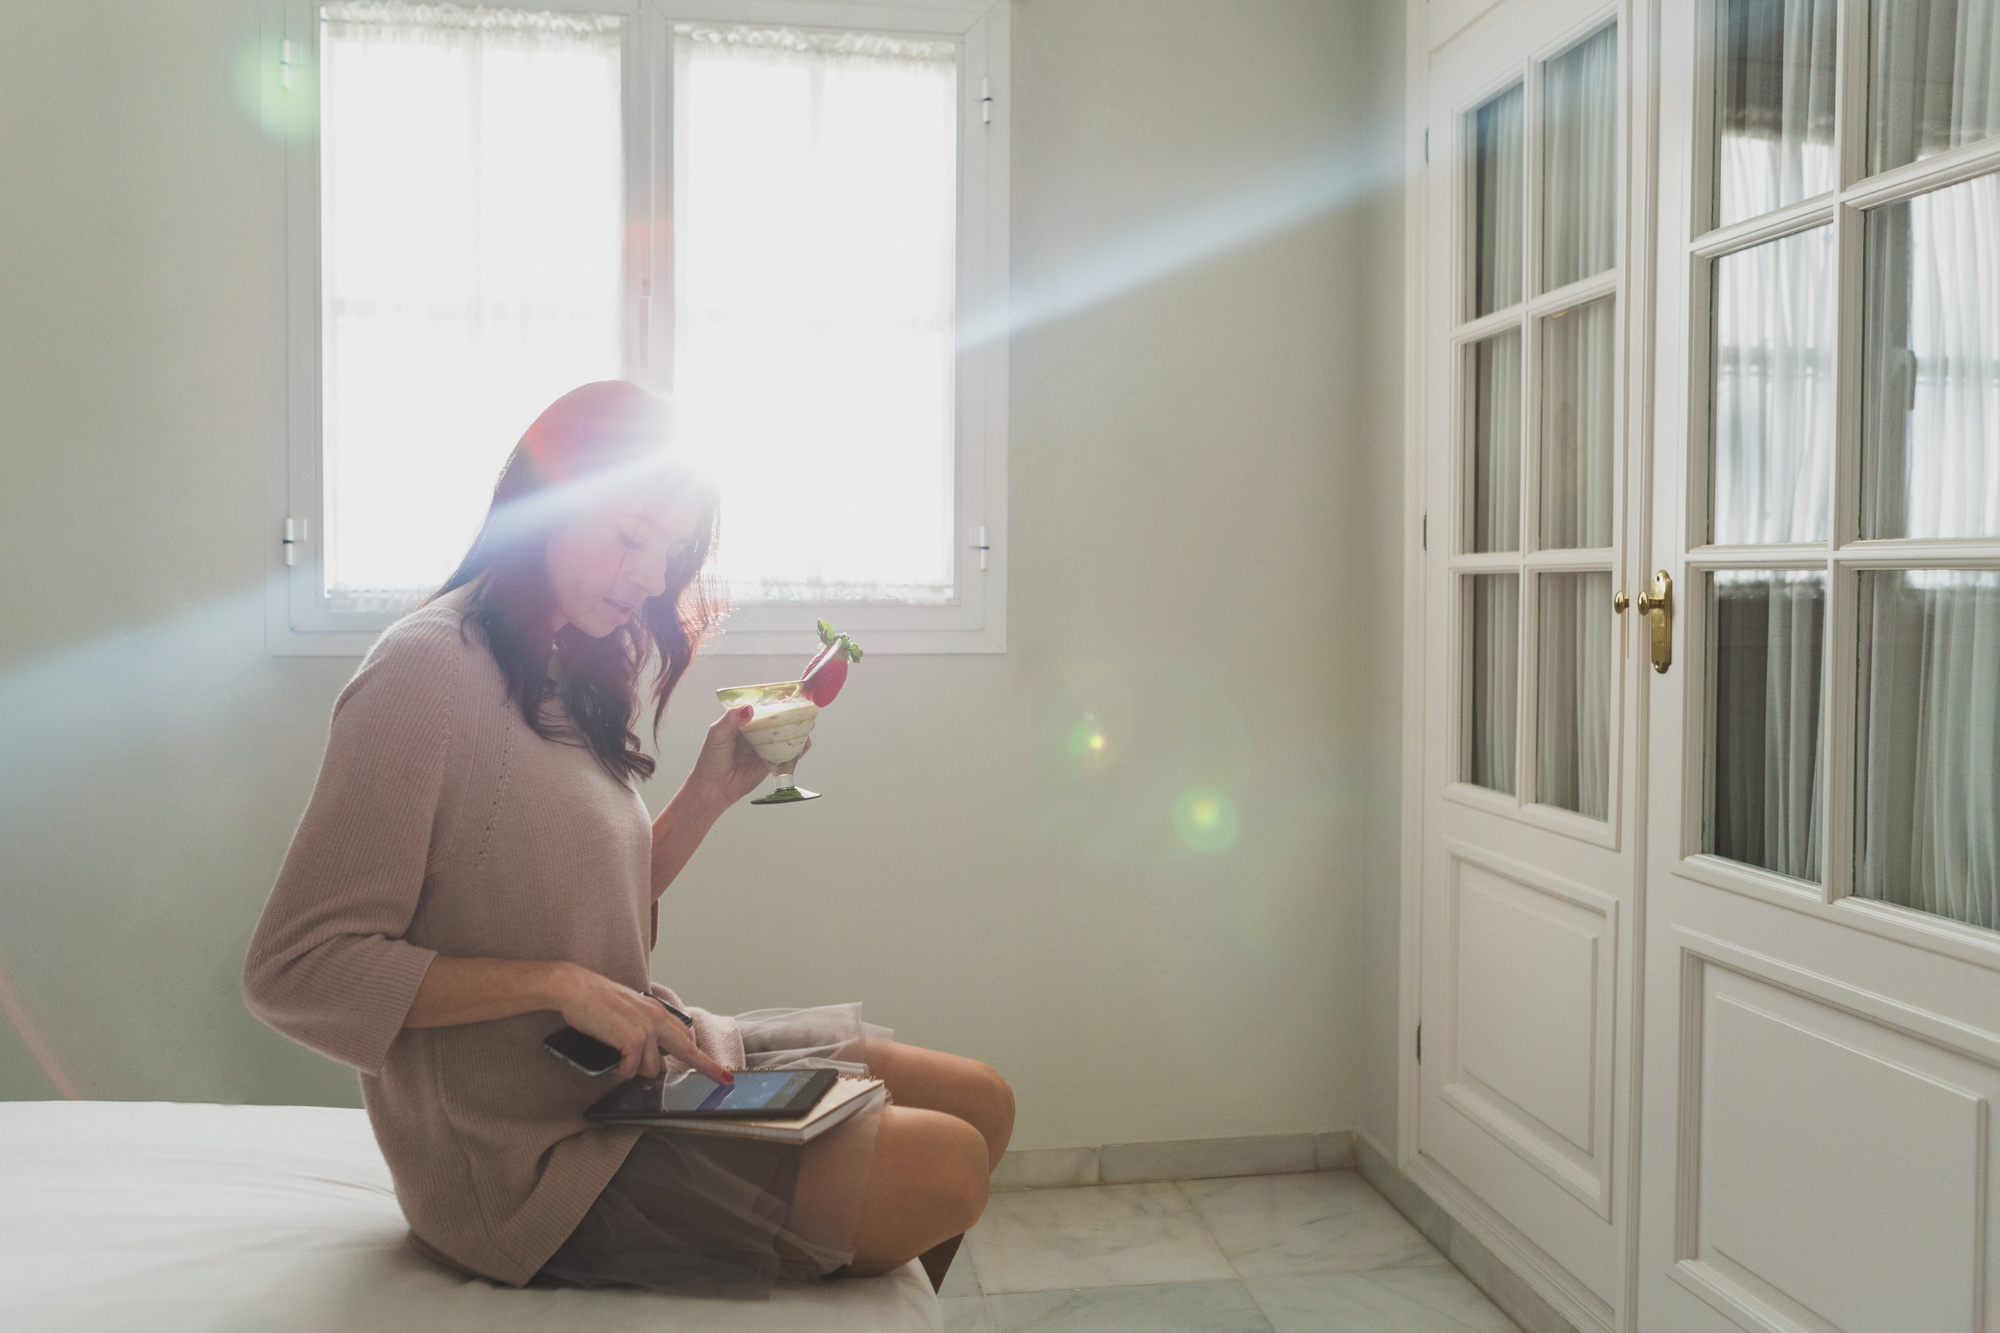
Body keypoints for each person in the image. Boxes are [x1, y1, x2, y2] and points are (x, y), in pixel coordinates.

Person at [243, 381, 1011, 1297]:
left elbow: (578, 903)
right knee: (947, 1167)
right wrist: (557, 986)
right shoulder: (426, 672)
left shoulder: (561, 663)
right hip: (531, 1156)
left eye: (672, 553)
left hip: (631, 1074)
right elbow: (295, 968)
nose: (653, 579)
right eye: (632, 538)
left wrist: (705, 795)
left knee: (981, 1101)